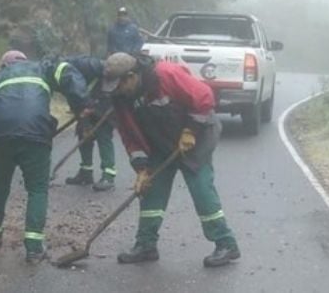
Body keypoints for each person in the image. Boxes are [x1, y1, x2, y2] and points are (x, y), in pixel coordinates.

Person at [101, 52, 240, 268]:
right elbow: (130, 135)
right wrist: (141, 169)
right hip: (161, 144)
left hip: (197, 137)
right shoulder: (121, 99)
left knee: (201, 189)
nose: (117, 90)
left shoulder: (165, 74)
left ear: (131, 76)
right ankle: (146, 245)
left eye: (119, 84)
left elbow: (203, 97)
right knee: (151, 191)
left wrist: (190, 131)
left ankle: (226, 243)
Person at [0, 50, 90, 264]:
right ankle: (33, 249)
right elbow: (68, 74)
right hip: (35, 134)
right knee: (37, 189)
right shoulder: (42, 68)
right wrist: (81, 105)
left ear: (4, 65)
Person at [54, 55, 117, 192]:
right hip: (90, 99)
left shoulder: (100, 71)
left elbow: (107, 93)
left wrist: (91, 108)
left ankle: (108, 175)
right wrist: (81, 114)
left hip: (104, 103)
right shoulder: (67, 74)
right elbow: (75, 95)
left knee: (103, 135)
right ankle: (86, 172)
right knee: (83, 133)